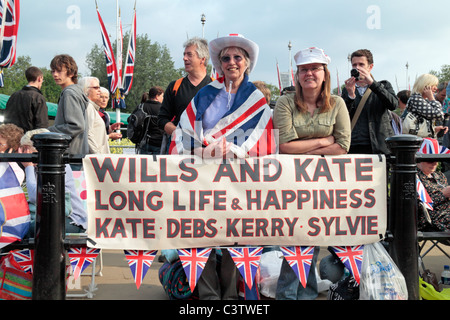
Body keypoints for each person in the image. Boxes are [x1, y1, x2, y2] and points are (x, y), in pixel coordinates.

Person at [171, 33, 276, 299]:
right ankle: (208, 297)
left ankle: (229, 296)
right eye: (226, 58)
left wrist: (237, 150)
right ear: (219, 63)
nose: (232, 62)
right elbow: (181, 135)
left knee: (235, 240)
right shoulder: (204, 95)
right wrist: (204, 151)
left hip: (239, 182)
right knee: (200, 238)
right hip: (203, 179)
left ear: (246, 62)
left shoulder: (257, 100)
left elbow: (267, 145)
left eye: (237, 57)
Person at [273, 47, 351, 300]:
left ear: (324, 74)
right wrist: (322, 141)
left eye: (315, 68)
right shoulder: (285, 102)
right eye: (304, 69)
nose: (309, 73)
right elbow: (284, 146)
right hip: (290, 182)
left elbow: (343, 145)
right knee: (294, 237)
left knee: (312, 234)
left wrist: (304, 149)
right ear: (297, 76)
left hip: (324, 184)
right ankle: (288, 294)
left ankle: (303, 293)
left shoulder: (337, 103)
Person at [18, 128, 87, 236]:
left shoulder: (60, 165)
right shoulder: (37, 167)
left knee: (33, 229)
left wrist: (28, 167)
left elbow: (35, 196)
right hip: (50, 217)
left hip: (73, 220)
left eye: (27, 150)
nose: (26, 153)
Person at [157, 37, 212, 154]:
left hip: (209, 151)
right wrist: (177, 132)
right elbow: (161, 119)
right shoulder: (175, 86)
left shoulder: (216, 87)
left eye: (189, 54)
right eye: (184, 54)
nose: (184, 58)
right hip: (179, 149)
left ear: (202, 59)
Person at [341, 49, 398, 154]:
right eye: (354, 65)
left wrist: (373, 85)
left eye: (361, 64)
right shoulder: (347, 89)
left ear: (370, 67)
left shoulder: (384, 85)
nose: (357, 68)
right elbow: (343, 116)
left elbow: (393, 104)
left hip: (379, 146)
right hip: (354, 145)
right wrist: (350, 96)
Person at [47, 54, 89, 163]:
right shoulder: (75, 91)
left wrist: (48, 131)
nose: (55, 74)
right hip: (77, 154)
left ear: (70, 73)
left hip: (69, 155)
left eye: (59, 71)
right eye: (53, 71)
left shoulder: (69, 93)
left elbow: (76, 126)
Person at [416, 137, 450, 232]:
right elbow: (419, 207)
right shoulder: (415, 177)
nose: (435, 163)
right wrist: (443, 194)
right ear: (419, 160)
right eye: (430, 160)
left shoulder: (439, 175)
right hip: (433, 219)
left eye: (437, 159)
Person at [4, 66, 48, 132]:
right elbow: (42, 127)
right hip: (28, 140)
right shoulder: (38, 98)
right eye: (42, 80)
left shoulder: (13, 96)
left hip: (11, 138)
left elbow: (6, 121)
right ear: (39, 78)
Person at [79, 77, 114, 154]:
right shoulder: (88, 107)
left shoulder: (91, 107)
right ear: (86, 89)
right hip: (95, 159)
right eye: (95, 87)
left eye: (99, 87)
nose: (99, 90)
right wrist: (98, 155)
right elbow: (88, 135)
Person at [405, 74, 447, 138]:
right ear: (425, 85)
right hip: (415, 141)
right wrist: (432, 98)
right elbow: (439, 115)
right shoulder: (416, 99)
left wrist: (434, 129)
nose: (436, 88)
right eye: (434, 85)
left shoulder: (422, 100)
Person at [139, 86, 164, 155]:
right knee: (157, 165)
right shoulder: (163, 109)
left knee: (144, 165)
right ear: (156, 96)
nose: (163, 98)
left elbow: (131, 120)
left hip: (144, 142)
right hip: (159, 143)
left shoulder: (141, 106)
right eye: (162, 96)